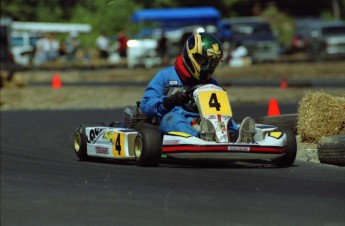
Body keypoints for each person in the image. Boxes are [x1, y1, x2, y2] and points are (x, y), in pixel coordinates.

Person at [140, 32, 239, 138]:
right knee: (171, 119)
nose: (209, 66)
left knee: (228, 120)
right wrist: (169, 101)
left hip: (203, 122)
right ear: (191, 55)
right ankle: (197, 137)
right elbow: (146, 105)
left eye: (213, 62)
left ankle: (233, 135)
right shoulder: (165, 76)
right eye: (203, 60)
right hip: (176, 119)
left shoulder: (212, 83)